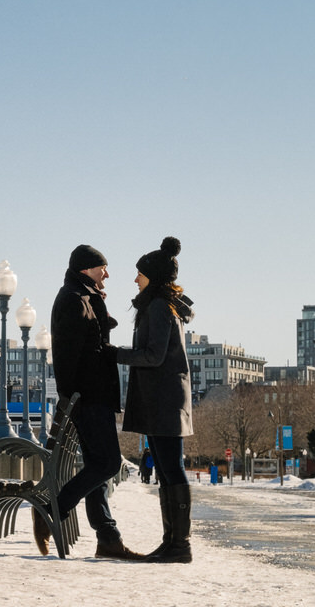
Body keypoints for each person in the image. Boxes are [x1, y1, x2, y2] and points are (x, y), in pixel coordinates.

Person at [36, 244, 143, 560]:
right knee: (108, 463)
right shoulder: (73, 299)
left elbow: (88, 340)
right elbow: (71, 358)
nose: (107, 274)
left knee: (98, 467)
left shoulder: (80, 297)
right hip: (90, 397)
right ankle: (51, 509)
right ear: (86, 269)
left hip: (92, 397)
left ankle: (107, 537)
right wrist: (75, 398)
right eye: (102, 268)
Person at [114, 236, 194, 564]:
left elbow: (154, 355)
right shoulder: (159, 305)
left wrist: (114, 354)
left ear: (154, 277)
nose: (135, 279)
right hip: (162, 399)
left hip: (164, 400)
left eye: (140, 274)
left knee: (172, 469)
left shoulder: (160, 307)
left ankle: (180, 545)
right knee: (165, 469)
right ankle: (171, 542)